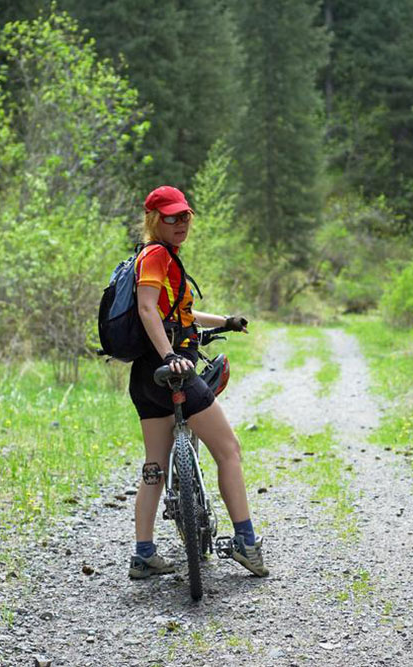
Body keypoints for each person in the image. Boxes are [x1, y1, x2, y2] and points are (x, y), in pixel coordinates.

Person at [126, 185, 268, 579]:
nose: (181, 223)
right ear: (154, 220)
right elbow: (146, 308)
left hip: (145, 376)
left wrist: (224, 321)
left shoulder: (154, 257)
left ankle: (143, 554)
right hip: (172, 370)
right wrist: (171, 356)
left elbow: (181, 313)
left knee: (154, 465)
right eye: (171, 217)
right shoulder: (156, 255)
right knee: (228, 449)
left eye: (185, 215)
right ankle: (245, 542)